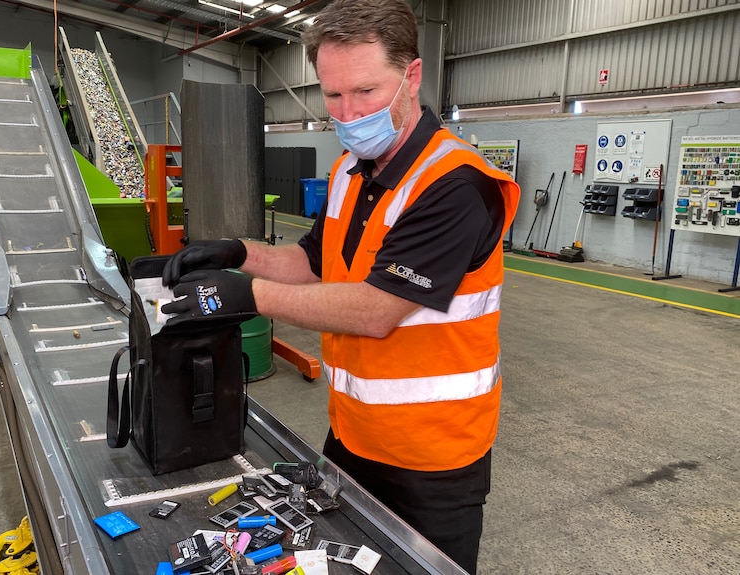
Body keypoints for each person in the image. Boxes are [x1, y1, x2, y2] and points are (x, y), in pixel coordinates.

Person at [161, 1, 520, 572]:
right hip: (352, 437)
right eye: (332, 96)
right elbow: (314, 262)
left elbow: (377, 309)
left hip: (433, 457)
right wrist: (238, 254)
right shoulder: (350, 172)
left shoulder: (456, 185)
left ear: (412, 75)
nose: (348, 113)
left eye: (366, 92)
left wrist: (246, 297)